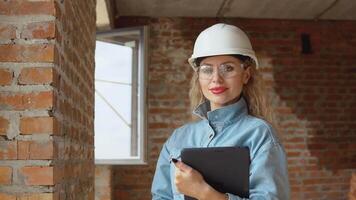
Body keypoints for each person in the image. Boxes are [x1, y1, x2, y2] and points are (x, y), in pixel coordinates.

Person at [151, 23, 290, 200]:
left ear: (246, 75)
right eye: (207, 70)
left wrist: (203, 193)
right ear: (199, 77)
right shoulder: (178, 139)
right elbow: (160, 196)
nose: (216, 79)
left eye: (228, 68)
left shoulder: (260, 135)